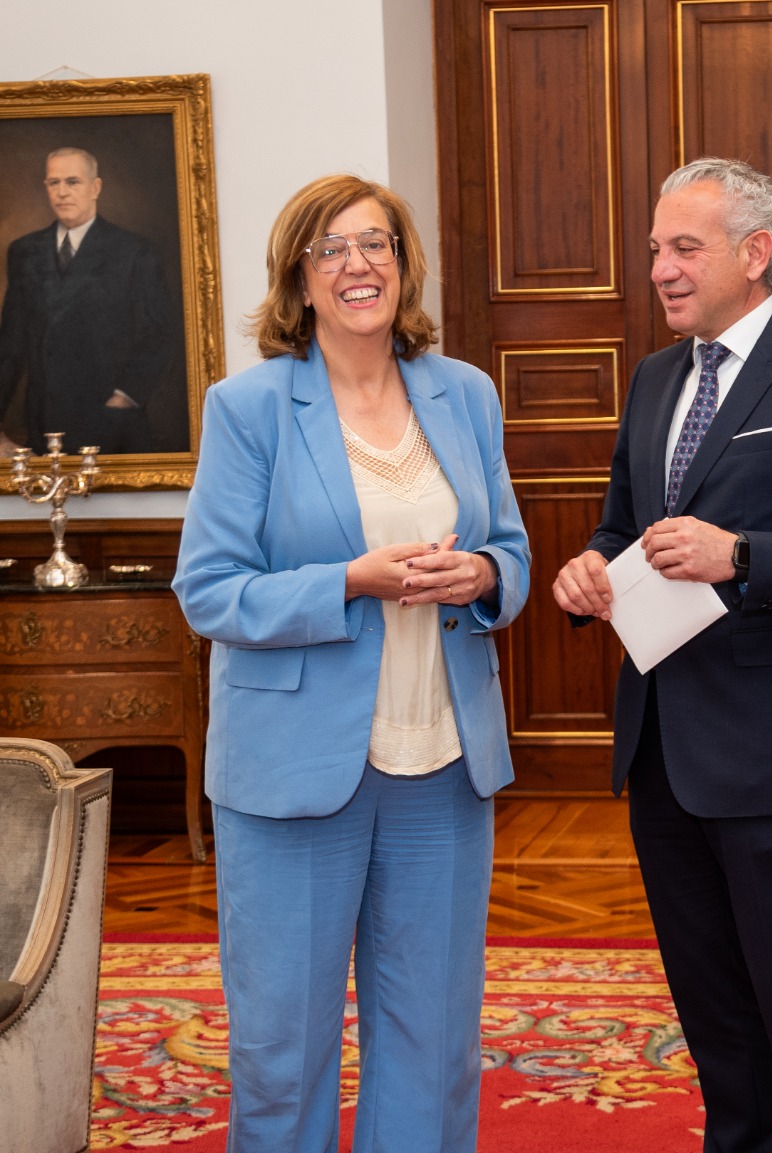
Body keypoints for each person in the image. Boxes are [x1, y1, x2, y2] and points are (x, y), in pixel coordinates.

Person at [551, 157, 772, 1152]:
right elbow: (623, 524)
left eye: (683, 248)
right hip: (663, 749)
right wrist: (590, 567)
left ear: (755, 253)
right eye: (654, 250)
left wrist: (742, 555)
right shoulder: (655, 377)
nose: (659, 270)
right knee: (709, 1003)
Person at [173, 174, 530, 1153]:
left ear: (404, 265)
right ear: (300, 276)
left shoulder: (466, 394)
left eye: (376, 243)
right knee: (283, 1051)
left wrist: (479, 574)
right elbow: (210, 590)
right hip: (292, 771)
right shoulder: (248, 408)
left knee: (435, 1042)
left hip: (443, 764)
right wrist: (348, 582)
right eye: (329, 248)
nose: (356, 264)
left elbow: (510, 553)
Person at [0, 146, 182, 456]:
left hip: (111, 426)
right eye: (54, 183)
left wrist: (123, 399)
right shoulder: (24, 251)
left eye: (73, 182)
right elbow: (10, 346)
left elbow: (160, 336)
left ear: (95, 187)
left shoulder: (133, 251)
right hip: (45, 422)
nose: (62, 192)